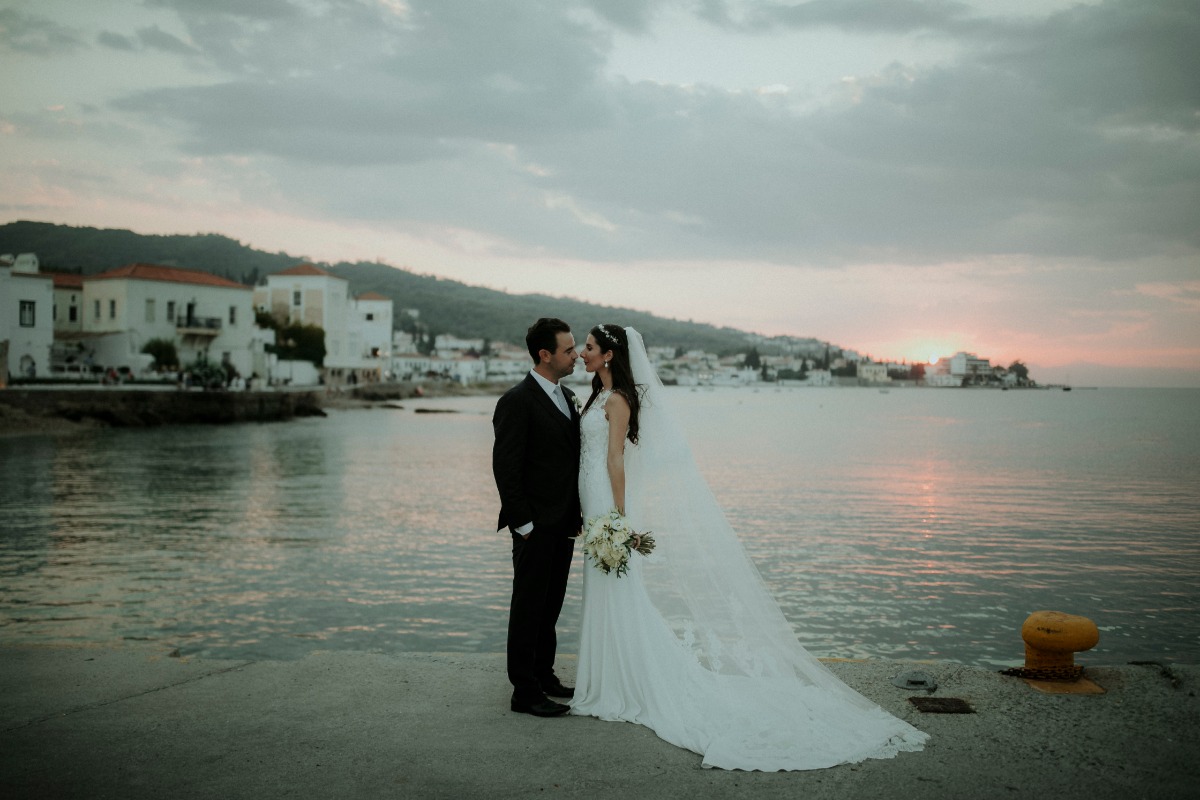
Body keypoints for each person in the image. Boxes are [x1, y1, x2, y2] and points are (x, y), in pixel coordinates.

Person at [570, 324, 929, 770]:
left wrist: (619, 520)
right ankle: (609, 677)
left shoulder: (619, 399)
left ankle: (621, 683)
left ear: (608, 354)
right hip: (591, 502)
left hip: (606, 503)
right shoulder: (593, 396)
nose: (581, 353)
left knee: (617, 590)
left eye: (587, 347)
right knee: (605, 589)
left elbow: (615, 459)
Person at [492, 318, 582, 718]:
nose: (576, 355)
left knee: (551, 607)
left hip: (563, 524)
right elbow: (506, 468)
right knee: (528, 608)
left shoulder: (568, 396)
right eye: (568, 350)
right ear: (545, 355)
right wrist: (524, 525)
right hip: (534, 527)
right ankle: (523, 692)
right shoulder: (517, 400)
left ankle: (544, 675)